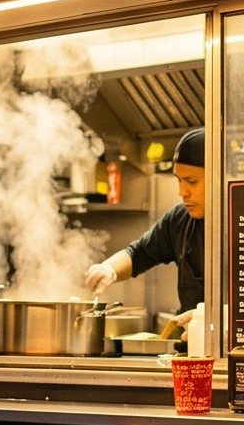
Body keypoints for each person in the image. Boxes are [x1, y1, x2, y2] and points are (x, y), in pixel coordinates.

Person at [83, 126, 208, 312]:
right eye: (179, 180)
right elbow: (141, 253)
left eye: (191, 182)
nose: (182, 192)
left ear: (219, 176)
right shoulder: (180, 218)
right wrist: (109, 269)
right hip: (191, 339)